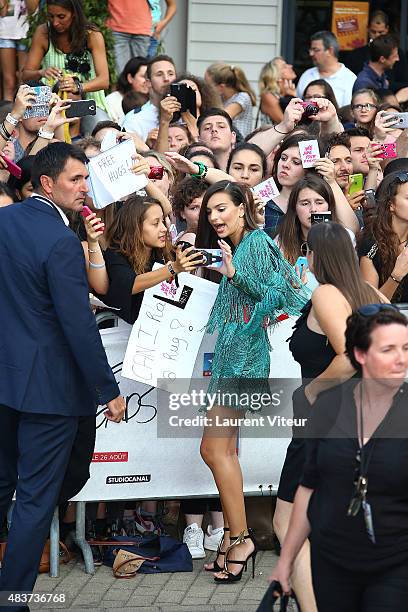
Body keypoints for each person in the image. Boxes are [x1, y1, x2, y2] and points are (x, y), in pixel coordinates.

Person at [0, 142, 125, 607]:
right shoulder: (60, 241)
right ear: (47, 183)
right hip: (48, 392)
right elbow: (77, 323)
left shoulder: (5, 221)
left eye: (86, 178)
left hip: (6, 381)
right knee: (35, 500)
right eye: (76, 179)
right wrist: (106, 388)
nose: (85, 187)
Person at [196, 180, 307, 583]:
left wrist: (236, 275)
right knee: (220, 450)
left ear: (243, 208)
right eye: (210, 212)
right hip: (233, 355)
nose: (215, 217)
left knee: (214, 449)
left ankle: (240, 538)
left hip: (244, 358)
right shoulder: (240, 246)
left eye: (222, 209)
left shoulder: (257, 243)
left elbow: (278, 295)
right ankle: (232, 534)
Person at [273, 221, 385, 612]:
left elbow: (348, 355)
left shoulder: (326, 293)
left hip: (324, 418)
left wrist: (312, 390)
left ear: (317, 255)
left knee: (289, 528)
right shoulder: (367, 291)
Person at [271, 304, 408, 612]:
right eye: (388, 349)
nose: (401, 359)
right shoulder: (328, 408)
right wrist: (286, 561)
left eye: (406, 348)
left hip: (394, 564)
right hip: (332, 562)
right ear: (359, 355)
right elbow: (307, 489)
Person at [95, 195, 202, 324]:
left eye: (163, 221)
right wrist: (172, 268)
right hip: (122, 332)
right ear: (135, 227)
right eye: (155, 223)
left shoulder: (165, 252)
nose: (163, 228)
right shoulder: (116, 254)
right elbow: (130, 285)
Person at [22, 0, 111, 132]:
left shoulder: (92, 35)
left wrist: (78, 87)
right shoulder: (44, 32)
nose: (55, 22)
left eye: (61, 16)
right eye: (51, 16)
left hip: (89, 104)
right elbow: (25, 75)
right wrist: (41, 72)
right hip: (52, 104)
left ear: (74, 13)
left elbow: (104, 81)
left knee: (104, 133)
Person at [359, 171, 408, 304]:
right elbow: (369, 306)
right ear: (391, 204)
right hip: (385, 320)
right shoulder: (372, 243)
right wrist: (397, 275)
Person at [122, 54, 177, 141]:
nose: (166, 78)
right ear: (148, 83)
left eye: (170, 74)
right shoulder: (134, 120)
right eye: (159, 74)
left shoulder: (186, 114)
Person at [296, 31, 357, 107]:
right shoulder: (307, 75)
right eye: (311, 50)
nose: (311, 54)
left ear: (330, 51)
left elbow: (348, 113)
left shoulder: (349, 79)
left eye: (316, 50)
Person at [0, 0, 39, 101]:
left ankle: (24, 113)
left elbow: (32, 9)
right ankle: (7, 114)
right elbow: (3, 11)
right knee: (9, 82)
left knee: (24, 81)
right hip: (5, 32)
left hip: (27, 33)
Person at [205, 63, 256, 138]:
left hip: (240, 141)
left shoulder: (242, 97)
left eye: (210, 85)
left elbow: (221, 117)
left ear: (221, 87)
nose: (207, 88)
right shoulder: (223, 98)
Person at [107, 0, 151, 75]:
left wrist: (162, 23)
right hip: (117, 27)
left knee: (141, 74)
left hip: (142, 27)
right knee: (120, 74)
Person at [105, 56, 149, 124]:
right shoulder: (112, 101)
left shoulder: (153, 101)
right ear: (130, 78)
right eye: (144, 76)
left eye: (150, 77)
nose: (147, 81)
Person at [257, 57, 297, 125]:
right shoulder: (268, 96)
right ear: (276, 76)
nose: (290, 66)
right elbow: (286, 124)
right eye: (284, 66)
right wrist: (292, 97)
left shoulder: (289, 92)